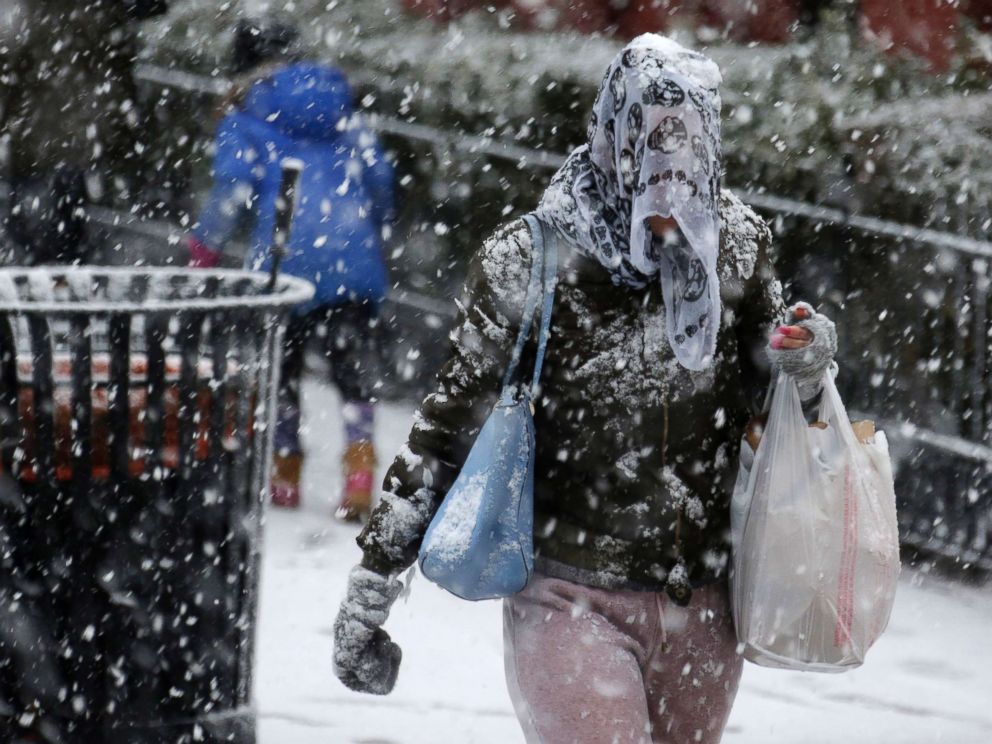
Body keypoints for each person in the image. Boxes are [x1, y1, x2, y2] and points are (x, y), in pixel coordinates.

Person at [332, 34, 839, 743]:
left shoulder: (737, 248)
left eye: (689, 169)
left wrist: (807, 368)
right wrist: (374, 583)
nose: (672, 196)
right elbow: (448, 427)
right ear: (614, 142)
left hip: (704, 600)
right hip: (569, 596)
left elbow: (773, 407)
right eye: (653, 167)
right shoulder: (531, 261)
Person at [188, 20, 395, 520]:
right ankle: (360, 479)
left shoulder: (245, 113)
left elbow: (233, 187)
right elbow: (380, 175)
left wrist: (204, 246)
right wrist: (375, 224)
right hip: (351, 250)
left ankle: (283, 475)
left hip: (286, 256)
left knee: (282, 370)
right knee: (351, 372)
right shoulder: (339, 105)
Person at [0, 0, 168, 266]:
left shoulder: (35, 16)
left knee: (37, 223)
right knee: (62, 223)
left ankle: (43, 277)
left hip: (46, 128)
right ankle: (58, 278)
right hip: (72, 128)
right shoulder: (98, 13)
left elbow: (12, 59)